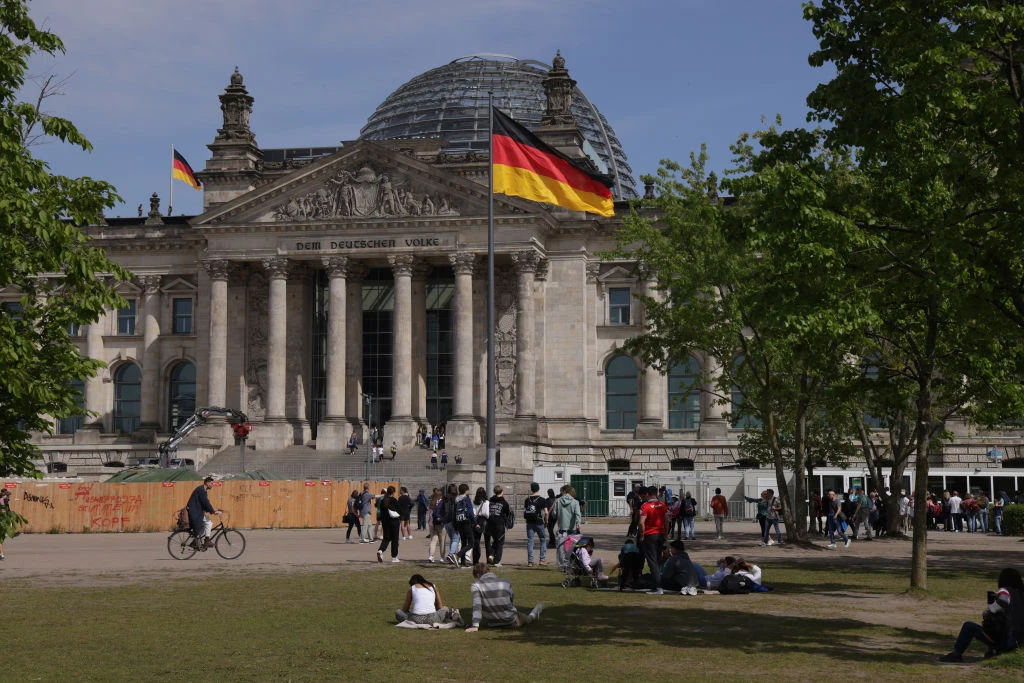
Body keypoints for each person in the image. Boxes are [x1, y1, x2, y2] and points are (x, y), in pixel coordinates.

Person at [939, 568, 1024, 662]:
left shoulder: (1004, 594)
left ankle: (956, 654)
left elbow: (994, 618)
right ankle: (990, 652)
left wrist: (992, 604)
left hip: (1006, 642)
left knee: (969, 626)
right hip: (1019, 641)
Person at [464, 563, 543, 632]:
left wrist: (475, 625)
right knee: (528, 619)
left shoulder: (475, 584)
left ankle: (536, 610)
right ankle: (535, 612)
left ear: (477, 575)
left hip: (492, 623)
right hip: (511, 620)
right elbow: (511, 601)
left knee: (523, 617)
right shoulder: (505, 581)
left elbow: (477, 605)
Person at [639, 485, 668, 594]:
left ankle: (658, 587)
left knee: (652, 561)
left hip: (650, 535)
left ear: (647, 494)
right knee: (658, 560)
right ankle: (657, 583)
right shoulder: (662, 505)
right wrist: (665, 535)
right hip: (660, 534)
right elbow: (666, 522)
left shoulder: (645, 506)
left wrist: (642, 535)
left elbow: (641, 523)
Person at [187, 476, 222, 548]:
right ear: (207, 483)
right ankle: (207, 541)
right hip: (195, 513)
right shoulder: (201, 490)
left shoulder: (202, 490)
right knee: (209, 523)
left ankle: (194, 542)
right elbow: (205, 502)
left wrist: (212, 510)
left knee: (203, 527)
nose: (212, 485)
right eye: (212, 483)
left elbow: (204, 503)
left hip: (197, 512)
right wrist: (213, 511)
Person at [553, 485, 582, 569]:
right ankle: (571, 563)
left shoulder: (558, 501)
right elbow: (578, 514)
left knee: (561, 547)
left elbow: (554, 513)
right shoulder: (575, 502)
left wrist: (559, 515)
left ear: (565, 491)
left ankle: (562, 565)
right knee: (571, 547)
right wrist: (578, 523)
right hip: (572, 528)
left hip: (562, 527)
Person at [523, 482, 549, 567]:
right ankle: (542, 560)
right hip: (539, 522)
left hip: (529, 523)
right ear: (538, 488)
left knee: (530, 541)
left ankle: (530, 561)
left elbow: (525, 511)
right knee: (542, 539)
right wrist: (546, 522)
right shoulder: (542, 499)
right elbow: (546, 512)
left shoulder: (527, 500)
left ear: (531, 489)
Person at [485, 485, 511, 566]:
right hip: (499, 524)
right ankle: (497, 561)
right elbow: (507, 513)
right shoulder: (504, 502)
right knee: (500, 542)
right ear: (502, 492)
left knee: (496, 541)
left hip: (490, 523)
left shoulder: (490, 500)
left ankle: (491, 555)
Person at [376, 485, 401, 563]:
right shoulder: (394, 500)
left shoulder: (383, 501)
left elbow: (380, 510)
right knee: (395, 539)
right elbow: (399, 510)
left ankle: (380, 550)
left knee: (386, 538)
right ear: (393, 492)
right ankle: (394, 557)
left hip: (385, 522)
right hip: (394, 521)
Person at [470, 486, 489, 565]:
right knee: (487, 541)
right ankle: (489, 558)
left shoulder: (475, 502)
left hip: (476, 521)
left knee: (476, 542)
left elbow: (473, 513)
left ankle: (475, 560)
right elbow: (487, 514)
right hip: (483, 521)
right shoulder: (486, 502)